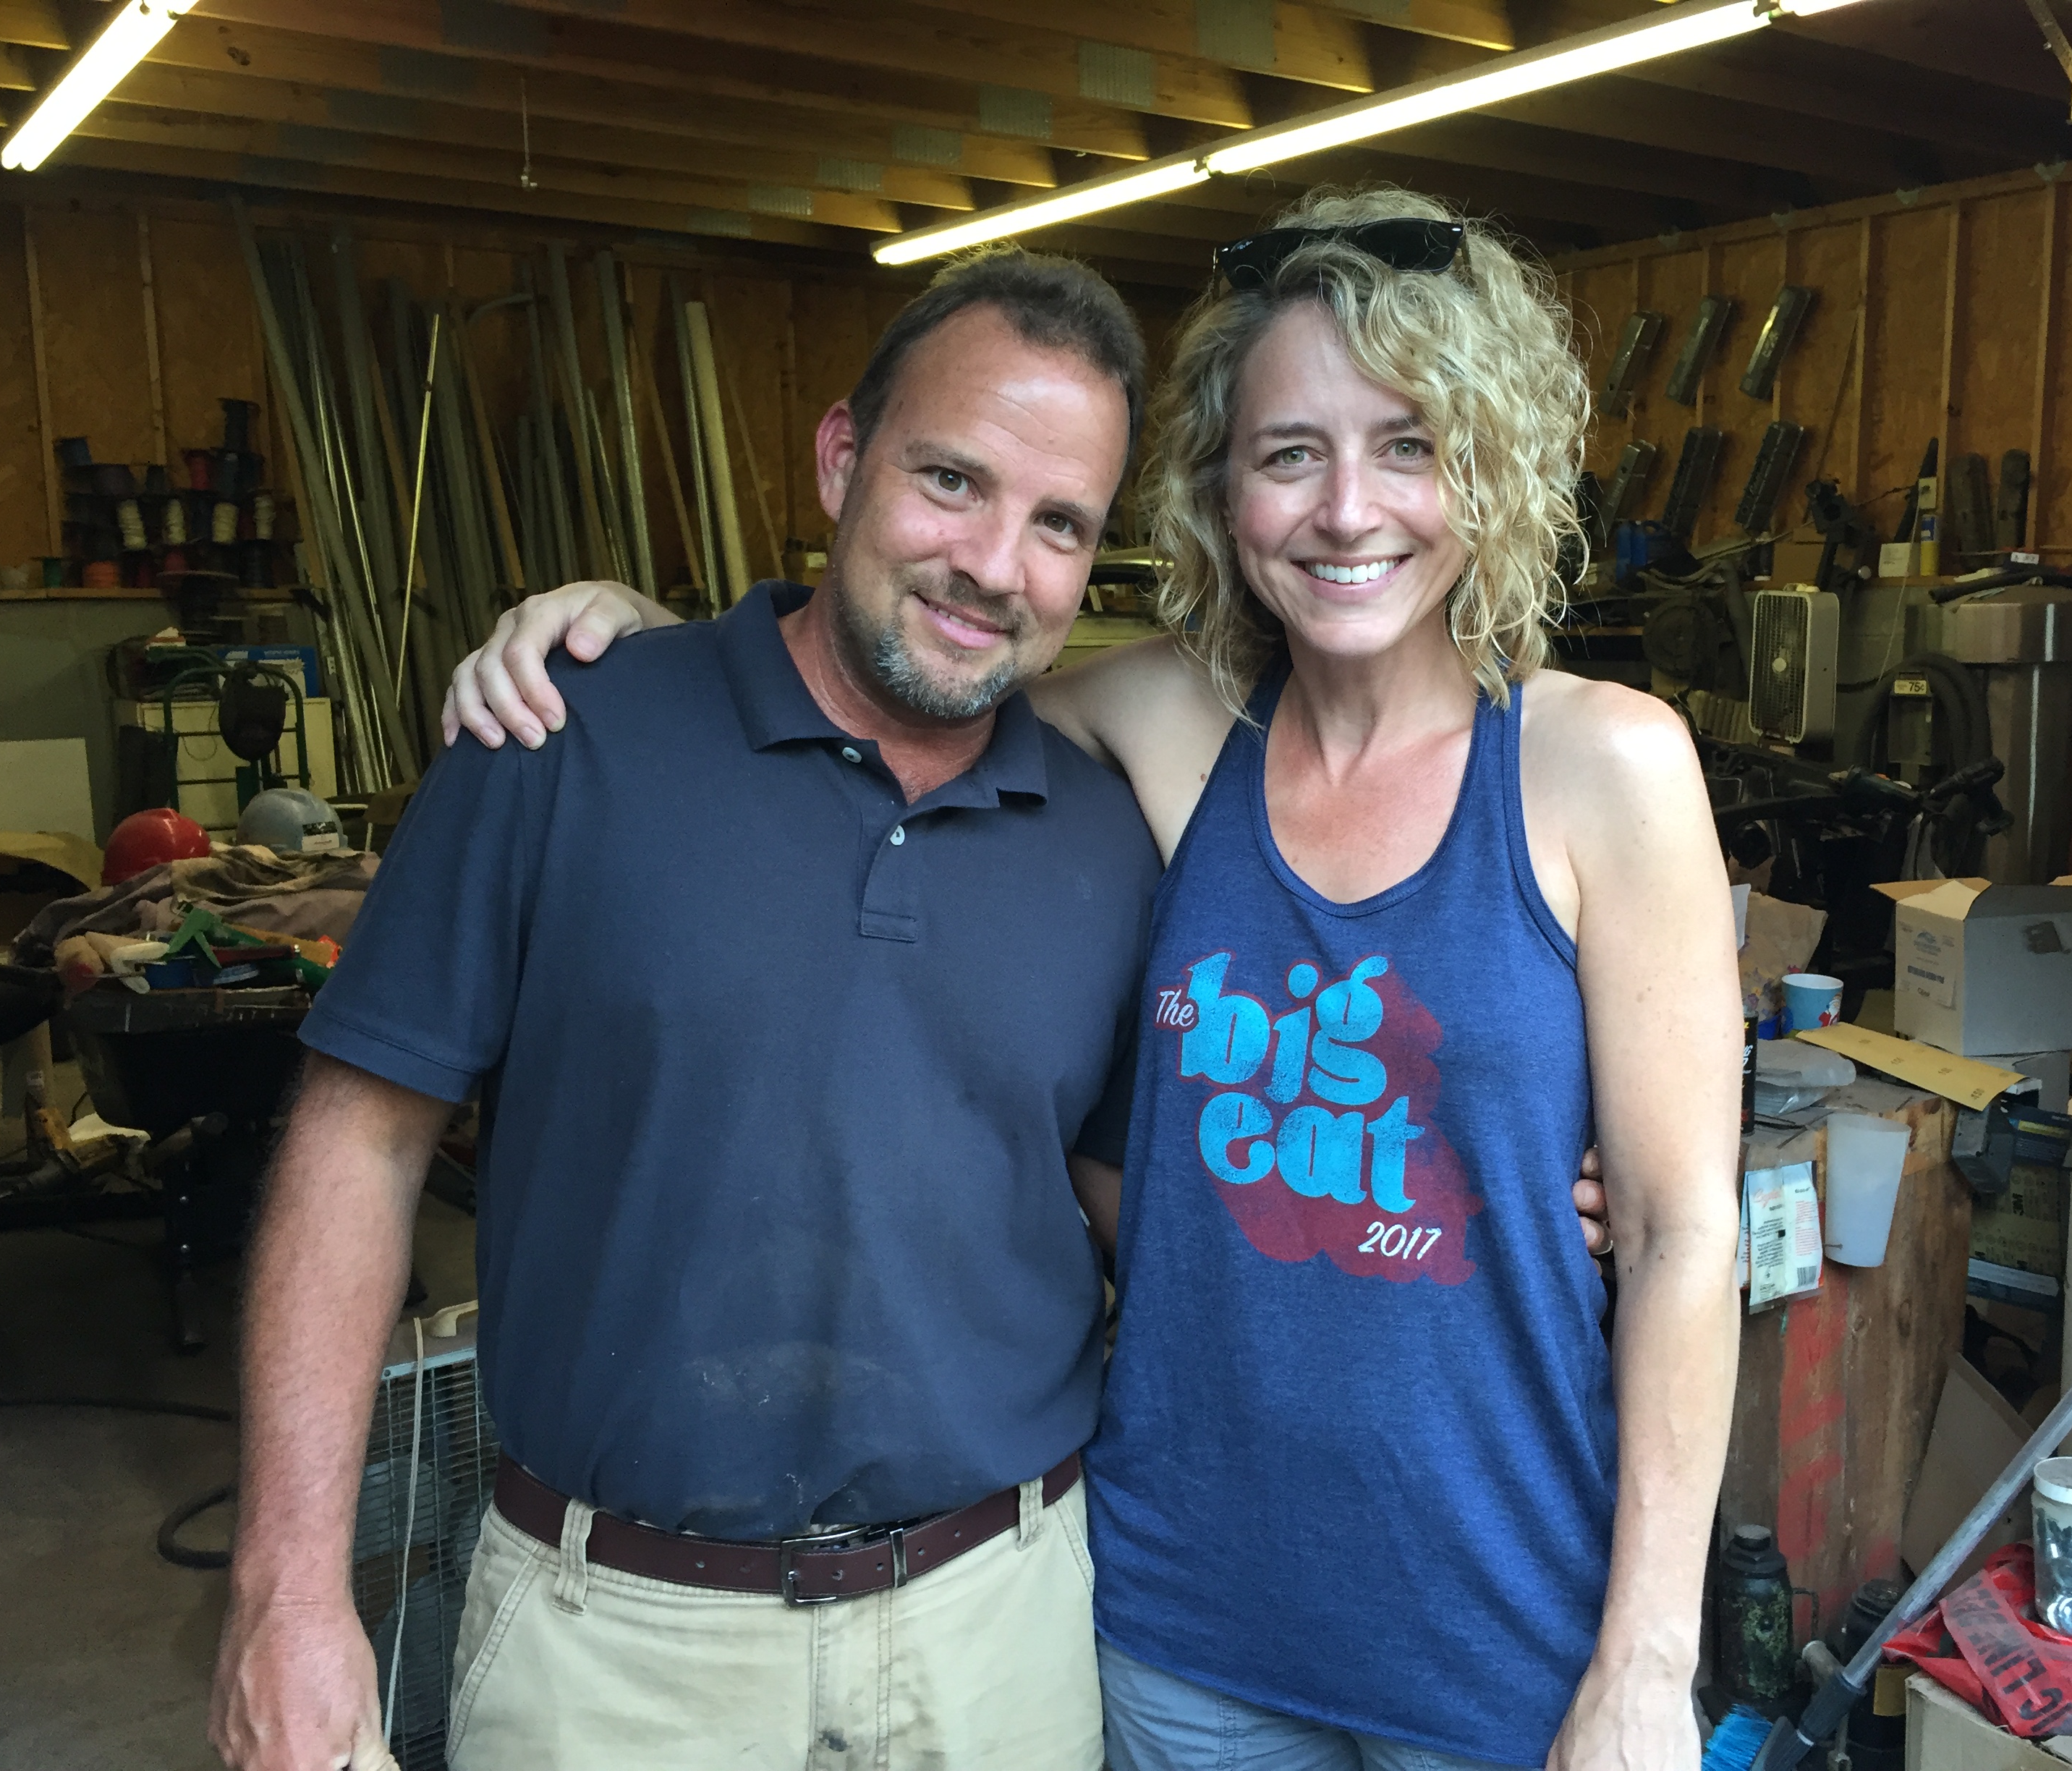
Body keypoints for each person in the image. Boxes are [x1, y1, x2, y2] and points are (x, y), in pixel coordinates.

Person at [450, 187, 1738, 1771]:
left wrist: (1647, 1662)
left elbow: (1683, 1237)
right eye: (1290, 454)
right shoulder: (1161, 724)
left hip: (1497, 1635)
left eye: (1408, 445)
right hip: (1179, 1623)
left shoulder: (1606, 766)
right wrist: (650, 649)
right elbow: (892, 688)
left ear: (1490, 465)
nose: (1348, 511)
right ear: (1221, 490)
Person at [210, 250, 1166, 1771]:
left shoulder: (1109, 843)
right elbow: (361, 1144)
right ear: (841, 458)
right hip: (615, 1650)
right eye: (950, 480)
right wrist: (286, 1591)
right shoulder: (561, 737)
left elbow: (1135, 1201)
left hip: (1000, 1635)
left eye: (1061, 524)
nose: (996, 563)